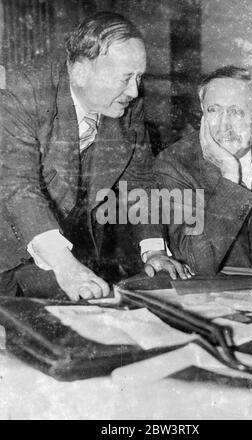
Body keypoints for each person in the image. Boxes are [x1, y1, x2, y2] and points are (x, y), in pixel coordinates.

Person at [0, 11, 190, 301]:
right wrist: (64, 265)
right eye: (126, 77)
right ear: (79, 72)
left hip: (51, 253)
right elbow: (17, 184)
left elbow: (139, 179)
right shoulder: (24, 90)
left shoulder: (125, 104)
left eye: (139, 77)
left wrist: (153, 251)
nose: (135, 90)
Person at [153, 65, 252, 276]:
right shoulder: (174, 165)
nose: (224, 125)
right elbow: (197, 262)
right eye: (214, 110)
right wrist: (230, 176)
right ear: (203, 112)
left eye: (236, 112)